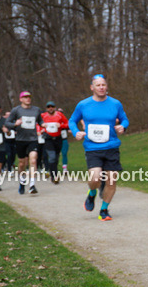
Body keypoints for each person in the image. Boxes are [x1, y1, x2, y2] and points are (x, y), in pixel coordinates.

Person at [68, 75, 129, 221]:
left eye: (103, 85)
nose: (101, 87)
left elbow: (125, 119)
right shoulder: (83, 105)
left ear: (106, 86)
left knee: (111, 181)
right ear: (92, 87)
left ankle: (104, 210)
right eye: (98, 85)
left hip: (111, 146)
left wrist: (122, 127)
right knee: (95, 178)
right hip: (92, 147)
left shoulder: (115, 103)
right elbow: (72, 120)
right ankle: (92, 192)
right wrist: (76, 132)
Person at [6, 91, 42, 194]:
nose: (28, 99)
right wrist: (15, 124)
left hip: (33, 139)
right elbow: (7, 123)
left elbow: (40, 121)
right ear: (21, 99)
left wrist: (44, 125)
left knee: (33, 160)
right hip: (20, 140)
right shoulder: (16, 110)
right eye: (25, 97)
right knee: (22, 163)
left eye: (29, 97)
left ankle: (32, 185)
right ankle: (22, 182)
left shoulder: (36, 110)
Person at [39, 101, 69, 183]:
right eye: (48, 107)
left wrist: (61, 126)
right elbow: (37, 123)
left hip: (58, 139)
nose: (50, 108)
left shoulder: (59, 115)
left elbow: (67, 124)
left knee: (56, 158)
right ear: (46, 108)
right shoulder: (43, 115)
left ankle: (53, 172)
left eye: (52, 106)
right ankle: (54, 176)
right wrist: (40, 129)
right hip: (48, 139)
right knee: (52, 157)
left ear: (55, 107)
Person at [58, 107, 70, 172]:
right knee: (55, 155)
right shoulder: (54, 120)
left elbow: (69, 128)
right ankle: (52, 168)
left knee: (64, 153)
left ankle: (65, 168)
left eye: (61, 113)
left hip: (64, 139)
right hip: (56, 140)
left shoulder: (65, 122)